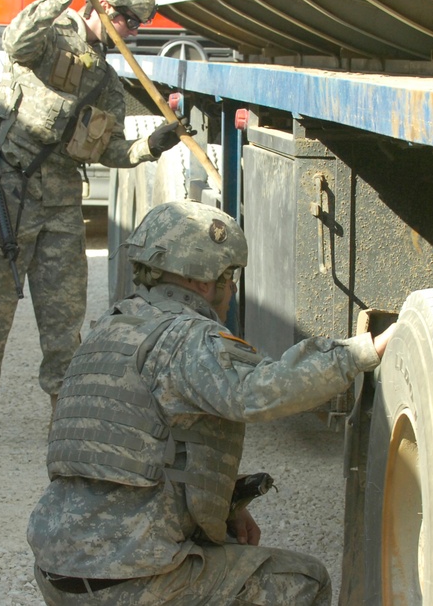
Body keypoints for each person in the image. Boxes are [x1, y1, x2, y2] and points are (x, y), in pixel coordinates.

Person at [27, 200, 395, 604]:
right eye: (229, 278)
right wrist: (359, 353)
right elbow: (261, 390)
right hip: (130, 586)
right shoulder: (186, 336)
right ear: (205, 282)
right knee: (305, 582)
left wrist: (228, 504)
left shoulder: (108, 331)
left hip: (59, 576)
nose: (231, 291)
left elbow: (135, 454)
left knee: (225, 556)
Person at [0, 0, 184, 455]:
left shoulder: (105, 81)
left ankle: (61, 413)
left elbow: (112, 148)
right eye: (125, 18)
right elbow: (15, 42)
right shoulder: (52, 33)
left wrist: (153, 145)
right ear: (102, 3)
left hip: (60, 204)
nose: (130, 30)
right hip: (10, 190)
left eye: (137, 25)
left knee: (63, 316)